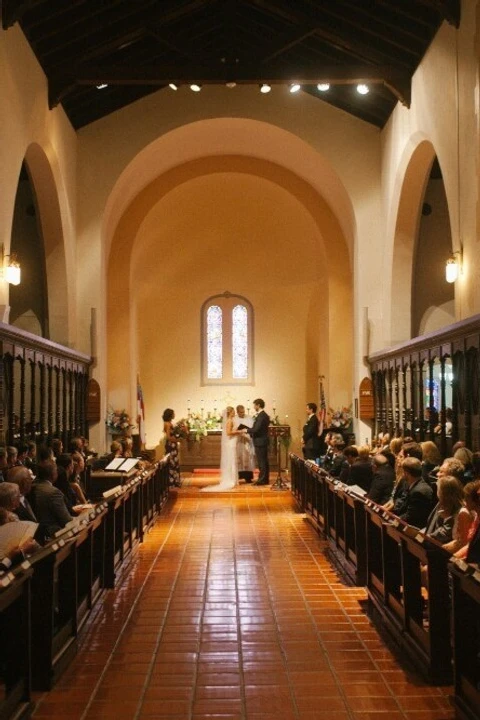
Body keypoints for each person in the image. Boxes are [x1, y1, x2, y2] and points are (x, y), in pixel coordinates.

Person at [202, 407, 247, 492]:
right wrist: (239, 432)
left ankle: (233, 479)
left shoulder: (231, 420)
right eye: (233, 411)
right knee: (231, 460)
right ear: (230, 413)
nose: (235, 413)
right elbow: (228, 433)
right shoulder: (229, 421)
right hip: (231, 443)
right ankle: (230, 479)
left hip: (233, 442)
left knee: (232, 460)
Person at [395, 457, 435, 529]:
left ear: (406, 473)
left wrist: (394, 519)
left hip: (413, 530)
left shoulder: (419, 491)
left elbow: (410, 517)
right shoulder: (411, 484)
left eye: (402, 471)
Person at [247, 399, 271, 486]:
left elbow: (257, 429)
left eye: (254, 405)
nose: (254, 407)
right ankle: (265, 479)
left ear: (258, 405)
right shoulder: (263, 415)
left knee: (262, 461)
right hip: (262, 440)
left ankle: (262, 480)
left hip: (260, 441)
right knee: (263, 461)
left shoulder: (261, 416)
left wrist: (247, 430)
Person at [234, 405, 255, 483]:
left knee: (247, 459)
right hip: (238, 441)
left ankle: (248, 477)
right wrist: (239, 431)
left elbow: (252, 428)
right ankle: (239, 476)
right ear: (237, 412)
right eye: (241, 412)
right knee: (239, 458)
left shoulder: (249, 418)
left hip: (247, 441)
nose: (243, 414)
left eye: (243, 412)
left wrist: (247, 432)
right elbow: (233, 429)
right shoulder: (234, 419)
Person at [163, 408, 181, 487]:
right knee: (172, 463)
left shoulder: (169, 423)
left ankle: (175, 480)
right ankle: (172, 482)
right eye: (173, 413)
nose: (174, 415)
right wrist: (176, 440)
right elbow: (168, 437)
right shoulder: (167, 424)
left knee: (174, 462)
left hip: (173, 445)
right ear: (170, 414)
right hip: (171, 445)